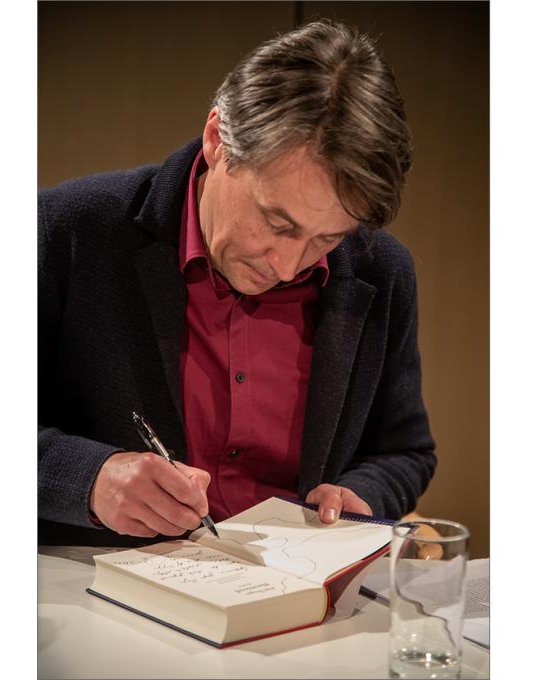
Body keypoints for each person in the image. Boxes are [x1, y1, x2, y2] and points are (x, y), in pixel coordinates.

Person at [38, 20, 436, 546]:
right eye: (276, 222)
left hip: (294, 581)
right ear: (217, 140)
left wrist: (360, 495)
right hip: (92, 581)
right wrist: (90, 479)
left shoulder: (380, 270)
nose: (288, 266)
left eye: (327, 238)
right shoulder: (65, 230)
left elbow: (404, 451)